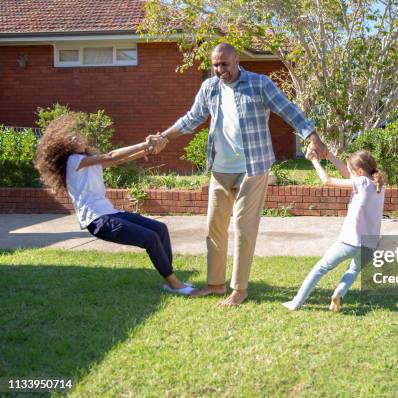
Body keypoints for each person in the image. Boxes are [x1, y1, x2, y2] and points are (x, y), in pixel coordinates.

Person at [156, 43, 328, 306]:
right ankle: (215, 284)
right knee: (214, 226)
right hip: (220, 168)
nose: (219, 70)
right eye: (215, 65)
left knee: (243, 227)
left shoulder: (260, 84)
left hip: (253, 167)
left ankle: (240, 289)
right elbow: (192, 118)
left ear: (237, 61)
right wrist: (164, 137)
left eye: (224, 64)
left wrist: (312, 137)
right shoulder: (210, 88)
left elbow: (288, 110)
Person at [34, 113, 194, 295]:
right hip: (97, 220)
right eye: (70, 139)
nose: (76, 137)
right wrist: (145, 143)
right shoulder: (74, 161)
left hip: (111, 213)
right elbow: (111, 156)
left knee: (160, 229)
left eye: (76, 135)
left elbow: (118, 159)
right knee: (150, 238)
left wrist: (148, 149)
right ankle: (174, 284)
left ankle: (170, 279)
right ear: (65, 149)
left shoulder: (88, 161)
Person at [283, 148, 385, 312]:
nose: (350, 174)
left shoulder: (361, 182)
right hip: (370, 245)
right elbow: (348, 174)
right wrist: (329, 156)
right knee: (353, 270)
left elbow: (327, 180)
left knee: (321, 268)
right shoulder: (378, 185)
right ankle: (339, 292)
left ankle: (296, 302)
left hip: (349, 241)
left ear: (359, 171)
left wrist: (314, 160)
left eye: (353, 171)